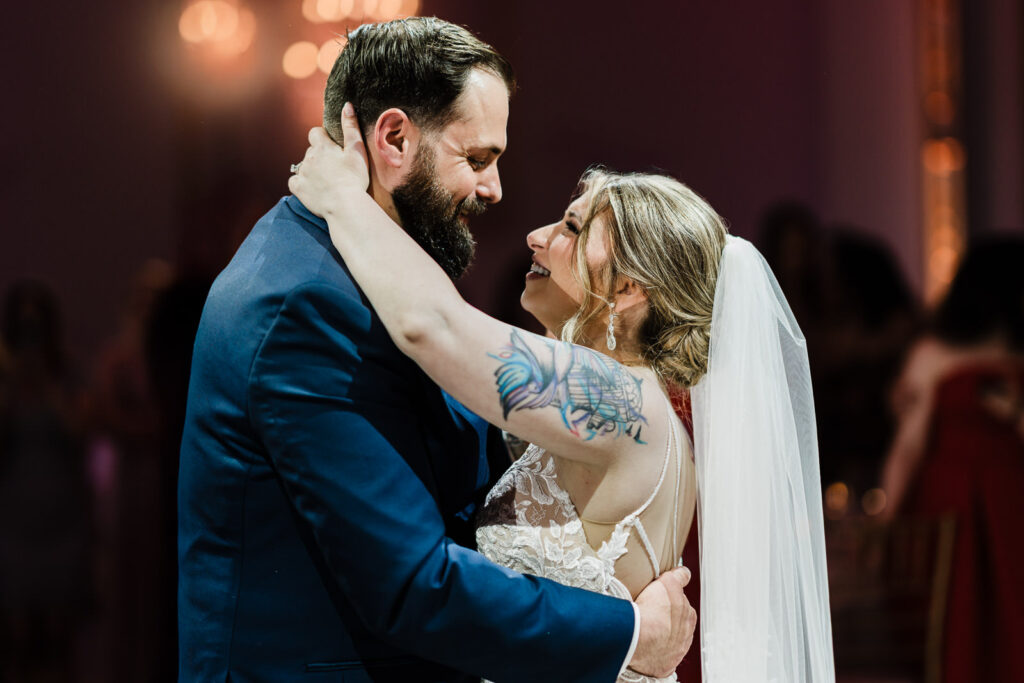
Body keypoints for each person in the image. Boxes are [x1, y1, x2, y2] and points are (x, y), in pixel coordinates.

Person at [178, 18, 695, 683]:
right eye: (477, 157)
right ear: (393, 137)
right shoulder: (304, 301)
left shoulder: (374, 275)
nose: (496, 189)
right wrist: (627, 632)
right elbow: (410, 583)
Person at [288, 99, 836, 682]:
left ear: (627, 287)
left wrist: (344, 198)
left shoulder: (620, 400)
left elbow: (433, 324)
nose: (537, 235)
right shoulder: (631, 405)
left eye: (572, 228)